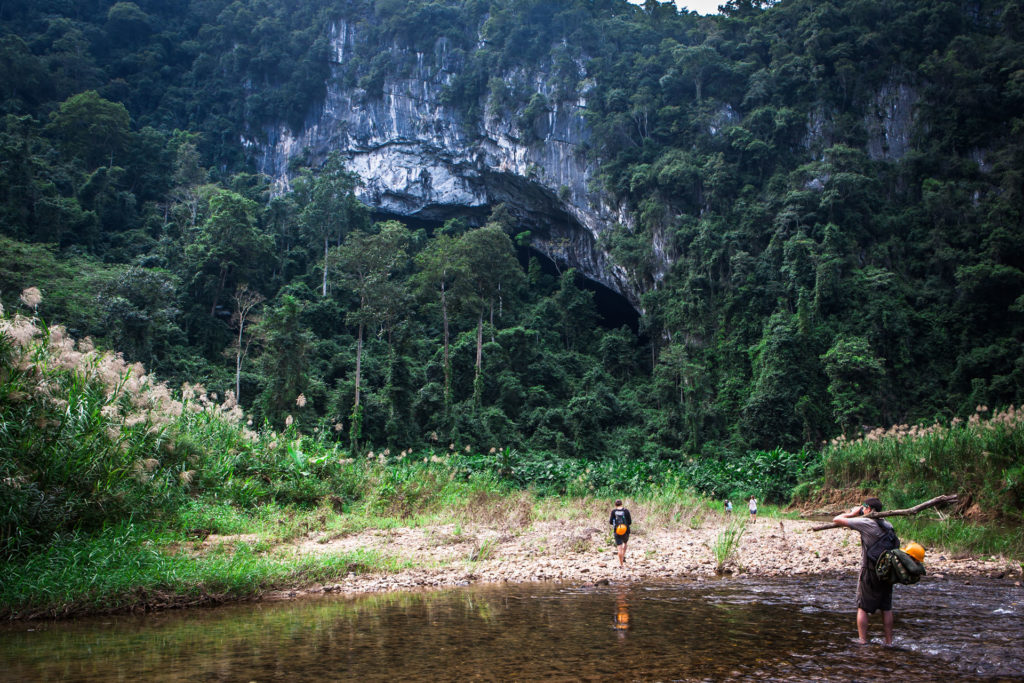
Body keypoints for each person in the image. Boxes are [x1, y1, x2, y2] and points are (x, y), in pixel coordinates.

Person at [832, 497, 897, 645]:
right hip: (887, 572)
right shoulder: (888, 525)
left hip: (870, 571)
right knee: (886, 608)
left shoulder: (865, 522)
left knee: (862, 607)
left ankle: (862, 640)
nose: (862, 510)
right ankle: (889, 642)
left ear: (868, 509)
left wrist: (852, 513)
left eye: (863, 508)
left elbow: (837, 519)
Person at [609, 499, 631, 567]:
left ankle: (621, 564)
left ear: (615, 505)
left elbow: (610, 522)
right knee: (625, 543)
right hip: (625, 530)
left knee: (619, 547)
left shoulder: (613, 511)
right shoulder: (626, 511)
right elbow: (630, 522)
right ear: (622, 504)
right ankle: (623, 556)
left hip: (617, 531)